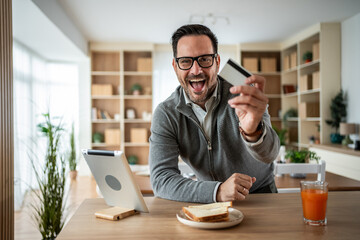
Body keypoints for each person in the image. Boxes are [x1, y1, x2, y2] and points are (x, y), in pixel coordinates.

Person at [149, 24, 280, 203]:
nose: (196, 70)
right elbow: (161, 179)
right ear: (175, 66)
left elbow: (270, 155)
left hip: (260, 196)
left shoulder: (243, 91)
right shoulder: (166, 113)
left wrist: (253, 131)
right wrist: (217, 192)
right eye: (186, 61)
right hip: (208, 201)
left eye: (204, 59)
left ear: (217, 62)